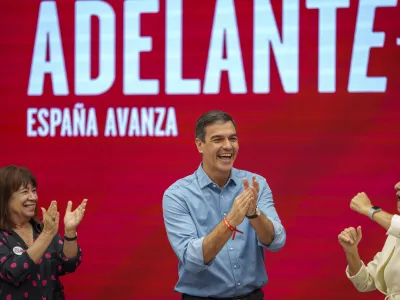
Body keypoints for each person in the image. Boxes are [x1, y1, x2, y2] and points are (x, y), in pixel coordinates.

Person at [162, 110, 286, 300]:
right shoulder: (177, 195)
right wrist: (230, 222)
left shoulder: (255, 184)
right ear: (199, 145)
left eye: (233, 138)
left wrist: (254, 215)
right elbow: (192, 260)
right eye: (218, 139)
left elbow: (276, 241)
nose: (228, 146)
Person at [0, 165, 88, 299]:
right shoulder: (45, 232)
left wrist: (70, 233)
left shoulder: (41, 228)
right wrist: (46, 235)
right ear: (5, 197)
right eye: (25, 192)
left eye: (34, 191)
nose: (33, 197)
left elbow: (68, 264)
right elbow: (13, 273)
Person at [338, 182, 400, 299]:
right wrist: (351, 251)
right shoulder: (394, 235)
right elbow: (365, 282)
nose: (397, 186)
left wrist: (369, 209)